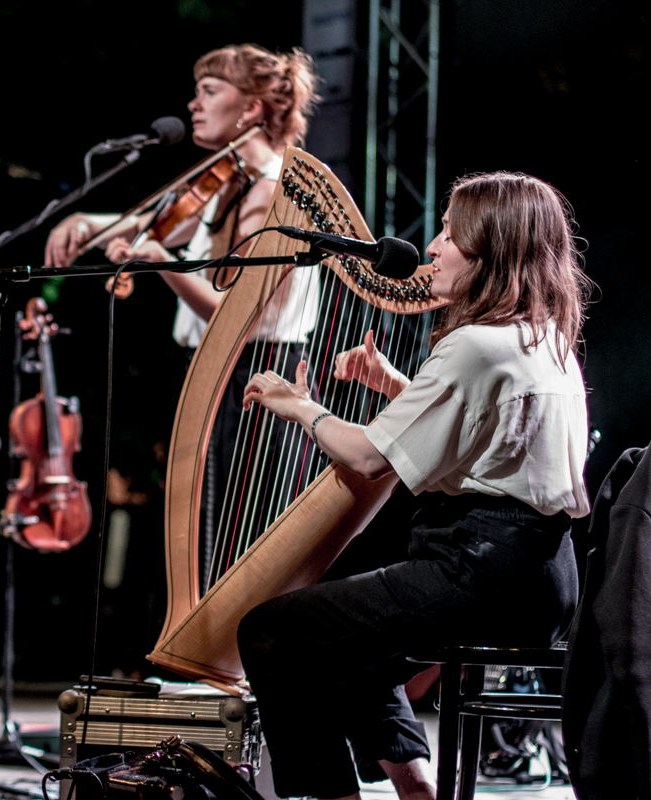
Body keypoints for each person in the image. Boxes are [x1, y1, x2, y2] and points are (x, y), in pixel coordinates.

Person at [237, 172, 591, 800]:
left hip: (480, 573)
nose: (430, 246)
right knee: (351, 637)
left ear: (492, 249)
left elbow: (369, 457)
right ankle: (415, 789)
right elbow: (490, 437)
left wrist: (297, 405)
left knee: (273, 631)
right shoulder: (545, 341)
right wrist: (398, 387)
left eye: (451, 234)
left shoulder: (474, 345)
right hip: (546, 580)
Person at [45, 43, 322, 549]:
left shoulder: (270, 192)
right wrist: (84, 221)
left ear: (251, 109)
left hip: (260, 378)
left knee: (238, 537)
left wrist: (159, 259)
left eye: (209, 91)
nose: (193, 104)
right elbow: (152, 221)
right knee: (209, 534)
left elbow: (229, 314)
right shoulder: (222, 181)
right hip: (218, 372)